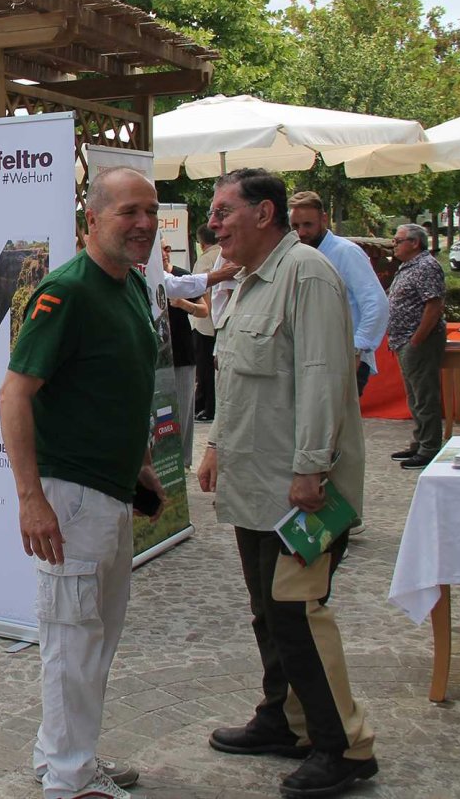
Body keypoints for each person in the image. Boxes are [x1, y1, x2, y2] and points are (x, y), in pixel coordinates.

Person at [197, 169, 377, 799]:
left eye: (223, 211)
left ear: (265, 213)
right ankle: (285, 719)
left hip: (300, 489)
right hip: (255, 483)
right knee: (268, 613)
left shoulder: (307, 275)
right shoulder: (249, 282)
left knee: (298, 612)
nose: (213, 224)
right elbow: (237, 376)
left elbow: (325, 378)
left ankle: (343, 746)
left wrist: (310, 470)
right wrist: (216, 443)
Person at [0, 167, 166, 799]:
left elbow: (115, 390)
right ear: (90, 220)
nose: (144, 223)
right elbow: (15, 394)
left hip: (110, 491)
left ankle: (67, 756)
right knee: (72, 642)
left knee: (94, 640)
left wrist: (140, 466)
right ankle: (69, 782)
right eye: (128, 212)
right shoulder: (67, 291)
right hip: (69, 499)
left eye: (149, 211)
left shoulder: (128, 288)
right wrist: (30, 497)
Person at [288, 192, 390, 396]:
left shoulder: (346, 252)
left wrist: (357, 347)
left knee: (338, 426)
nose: (301, 232)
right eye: (295, 226)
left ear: (323, 219)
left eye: (308, 225)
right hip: (311, 358)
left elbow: (376, 303)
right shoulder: (296, 253)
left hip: (343, 359)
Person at [386, 224, 446, 470]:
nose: (394, 244)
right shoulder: (408, 266)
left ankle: (429, 448)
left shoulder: (426, 266)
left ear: (415, 242)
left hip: (418, 340)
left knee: (425, 395)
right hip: (404, 339)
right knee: (414, 395)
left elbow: (434, 304)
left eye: (398, 240)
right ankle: (420, 441)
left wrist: (417, 339)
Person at [163, 240, 208, 469]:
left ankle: (184, 461)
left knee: (183, 409)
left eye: (166, 248)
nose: (164, 252)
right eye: (160, 249)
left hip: (182, 350)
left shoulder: (181, 277)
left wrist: (183, 304)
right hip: (159, 354)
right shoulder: (147, 276)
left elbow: (204, 310)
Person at [190, 225, 221, 421]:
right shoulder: (224, 255)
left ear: (201, 244)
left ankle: (207, 407)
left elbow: (202, 292)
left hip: (204, 324)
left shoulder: (206, 259)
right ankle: (206, 405)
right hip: (218, 323)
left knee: (204, 370)